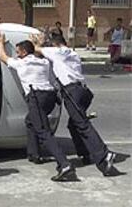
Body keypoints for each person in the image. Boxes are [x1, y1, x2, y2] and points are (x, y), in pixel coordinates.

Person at [32, 34, 124, 177]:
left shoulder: (56, 52)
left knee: (82, 124)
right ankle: (86, 154)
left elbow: (37, 49)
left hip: (71, 92)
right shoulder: (72, 53)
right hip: (83, 92)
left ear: (55, 44)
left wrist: (39, 42)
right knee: (74, 124)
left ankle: (104, 154)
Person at [0, 33, 77, 181]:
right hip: (49, 98)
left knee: (43, 131)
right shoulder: (44, 62)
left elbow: (3, 57)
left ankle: (64, 164)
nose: (17, 55)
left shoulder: (22, 63)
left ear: (25, 53)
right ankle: (34, 154)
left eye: (18, 52)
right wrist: (38, 43)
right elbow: (40, 53)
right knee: (30, 121)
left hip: (36, 98)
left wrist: (0, 43)